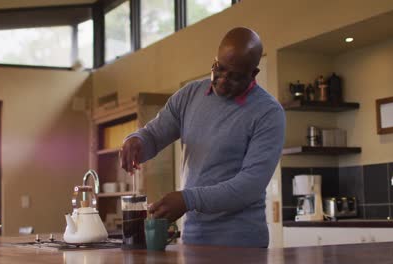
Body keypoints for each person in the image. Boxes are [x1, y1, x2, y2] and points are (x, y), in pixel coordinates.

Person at [120, 27, 285, 248]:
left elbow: (249, 186)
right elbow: (154, 134)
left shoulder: (268, 113)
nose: (222, 80)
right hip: (193, 240)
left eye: (234, 76)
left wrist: (188, 199)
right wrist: (137, 141)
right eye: (219, 68)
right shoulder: (189, 95)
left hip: (242, 245)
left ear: (253, 74)